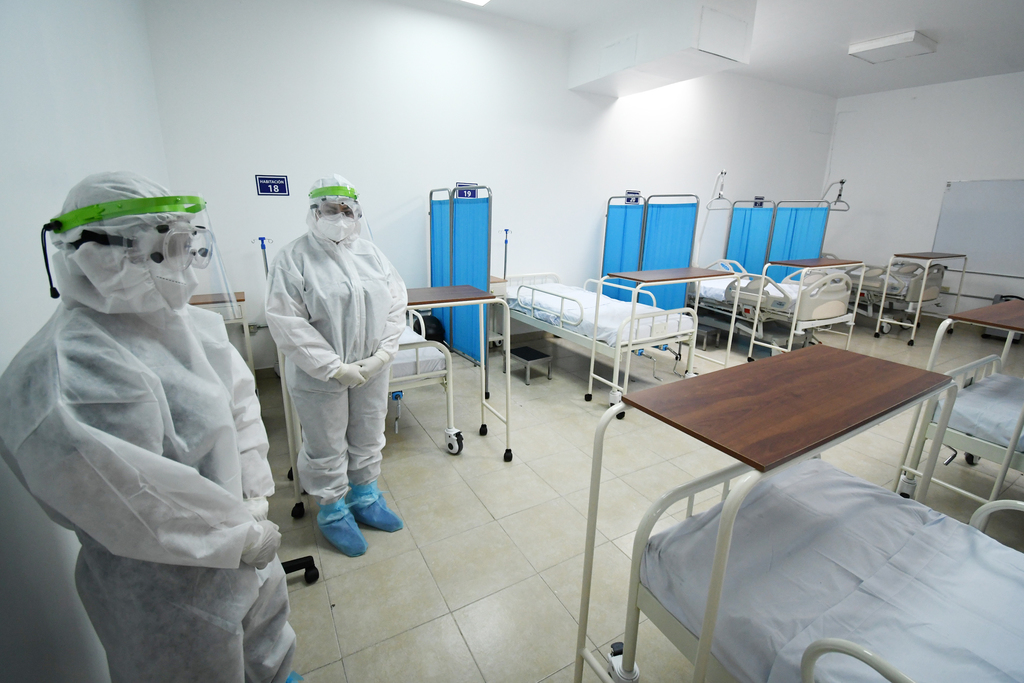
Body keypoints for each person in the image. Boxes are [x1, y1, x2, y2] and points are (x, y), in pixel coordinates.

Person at [0, 172, 298, 683]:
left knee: (269, 653)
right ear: (99, 255)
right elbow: (131, 500)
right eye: (165, 249)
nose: (182, 266)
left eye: (187, 245)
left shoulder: (187, 326)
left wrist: (253, 499)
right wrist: (236, 537)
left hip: (246, 543)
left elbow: (241, 405)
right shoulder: (58, 377)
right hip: (170, 592)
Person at [266, 174, 407, 557]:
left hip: (372, 369)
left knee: (368, 433)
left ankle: (365, 497)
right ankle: (332, 511)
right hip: (320, 376)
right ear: (315, 212)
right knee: (325, 444)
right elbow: (287, 322)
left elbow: (396, 304)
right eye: (331, 209)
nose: (340, 217)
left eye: (347, 210)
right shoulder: (293, 259)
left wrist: (382, 356)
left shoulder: (372, 255)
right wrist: (333, 366)